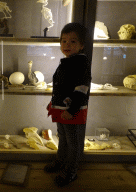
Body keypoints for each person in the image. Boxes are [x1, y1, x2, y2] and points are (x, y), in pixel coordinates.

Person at [45, 23, 92, 187]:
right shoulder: (67, 61)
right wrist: (53, 103)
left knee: (73, 144)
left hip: (73, 111)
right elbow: (61, 87)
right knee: (63, 139)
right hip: (61, 110)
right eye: (63, 41)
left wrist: (71, 110)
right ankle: (61, 162)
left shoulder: (81, 63)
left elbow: (81, 89)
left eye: (72, 42)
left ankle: (70, 172)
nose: (67, 45)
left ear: (81, 45)